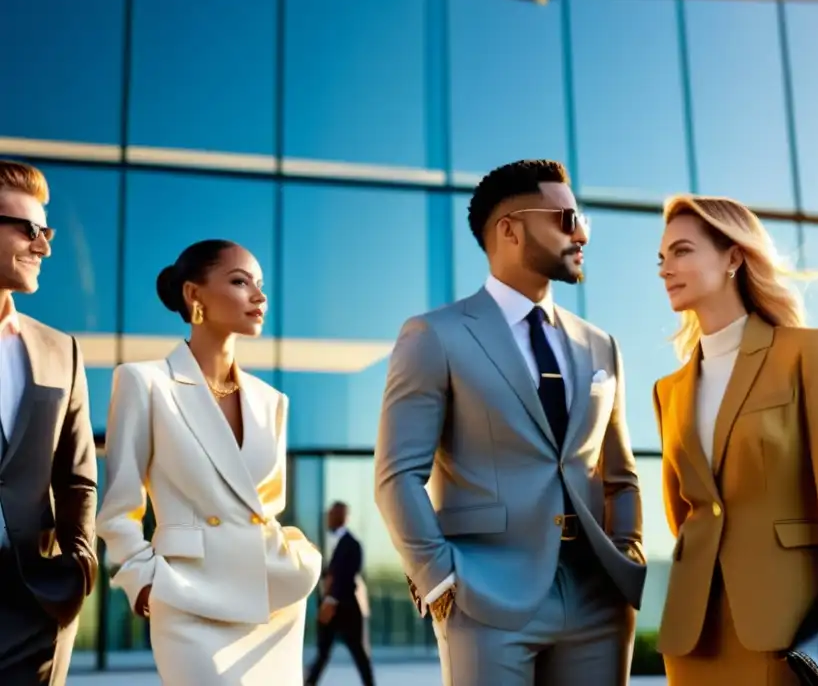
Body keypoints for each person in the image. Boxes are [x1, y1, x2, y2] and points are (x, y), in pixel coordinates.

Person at [374, 159, 646, 685]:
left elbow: (620, 473)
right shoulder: (435, 335)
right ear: (510, 229)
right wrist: (439, 580)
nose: (582, 231)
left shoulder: (601, 344)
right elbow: (397, 474)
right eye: (566, 219)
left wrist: (627, 551)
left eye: (582, 216)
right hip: (485, 597)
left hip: (598, 598)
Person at [653, 194, 818, 686]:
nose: (665, 269)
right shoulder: (668, 390)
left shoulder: (806, 354)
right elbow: (685, 515)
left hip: (788, 624)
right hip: (694, 634)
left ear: (734, 257)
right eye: (661, 258)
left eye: (681, 251)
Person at [97, 239, 321, 685]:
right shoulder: (144, 382)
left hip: (270, 599)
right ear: (194, 295)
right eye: (240, 282)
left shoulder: (270, 400)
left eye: (260, 285)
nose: (259, 297)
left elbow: (265, 508)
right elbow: (120, 507)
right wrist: (142, 579)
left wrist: (302, 559)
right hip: (187, 598)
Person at [0, 161, 98, 685]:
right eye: (30, 229)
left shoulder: (63, 352)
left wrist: (79, 566)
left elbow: (78, 476)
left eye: (48, 231)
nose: (45, 246)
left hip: (34, 605)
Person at [306, 501, 374, 686]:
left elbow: (347, 576)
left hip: (346, 608)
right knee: (323, 652)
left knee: (358, 652)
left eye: (333, 514)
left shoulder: (353, 544)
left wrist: (331, 600)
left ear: (342, 516)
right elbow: (331, 573)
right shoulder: (327, 542)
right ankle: (309, 682)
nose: (329, 518)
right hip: (328, 606)